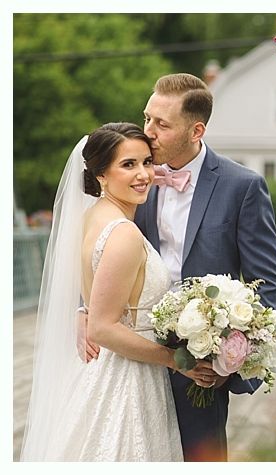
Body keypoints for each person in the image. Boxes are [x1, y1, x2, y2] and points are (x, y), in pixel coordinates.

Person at [20, 123, 217, 461]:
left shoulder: (92, 217)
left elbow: (97, 303)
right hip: (127, 379)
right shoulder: (123, 234)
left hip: (103, 369)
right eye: (128, 165)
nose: (143, 175)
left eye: (146, 162)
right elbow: (102, 328)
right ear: (100, 175)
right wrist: (176, 361)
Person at [133, 73, 276, 461]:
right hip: (134, 352)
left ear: (196, 129)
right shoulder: (134, 176)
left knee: (201, 458)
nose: (147, 131)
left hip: (199, 360)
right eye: (147, 118)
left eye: (162, 124)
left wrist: (225, 358)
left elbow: (266, 283)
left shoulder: (243, 187)